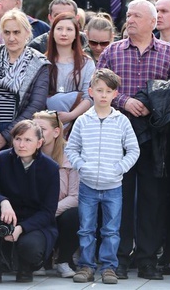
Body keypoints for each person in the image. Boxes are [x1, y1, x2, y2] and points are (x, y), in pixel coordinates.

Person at [95, 0, 170, 280]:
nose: (131, 19)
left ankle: (147, 258)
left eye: (137, 15)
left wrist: (152, 102)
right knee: (119, 199)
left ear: (152, 22)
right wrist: (124, 100)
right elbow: (97, 86)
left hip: (155, 136)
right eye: (129, 15)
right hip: (117, 133)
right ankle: (119, 258)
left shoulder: (169, 53)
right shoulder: (112, 52)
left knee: (153, 198)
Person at [65, 69, 140, 285]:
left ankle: (109, 267)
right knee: (86, 227)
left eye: (108, 91)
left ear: (115, 94)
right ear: (91, 92)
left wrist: (119, 168)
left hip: (113, 186)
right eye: (99, 90)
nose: (104, 95)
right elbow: (72, 148)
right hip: (88, 185)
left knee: (111, 230)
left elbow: (133, 150)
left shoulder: (121, 121)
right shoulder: (82, 121)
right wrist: (82, 167)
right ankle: (86, 266)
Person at [0, 121, 59, 285]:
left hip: (34, 222)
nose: (21, 145)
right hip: (7, 216)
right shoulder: (4, 158)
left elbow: (48, 212)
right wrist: (3, 201)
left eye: (28, 140)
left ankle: (26, 267)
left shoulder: (51, 168)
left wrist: (21, 228)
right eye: (18, 139)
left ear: (39, 143)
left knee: (31, 248)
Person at [0, 10, 50, 156]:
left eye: (16, 32)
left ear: (27, 33)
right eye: (7, 32)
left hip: (22, 133)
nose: (11, 38)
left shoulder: (39, 62)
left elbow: (36, 104)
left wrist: (6, 135)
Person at [32, 111, 78, 279]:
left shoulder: (70, 154)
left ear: (56, 132)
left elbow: (75, 196)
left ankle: (63, 260)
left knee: (75, 215)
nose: (37, 133)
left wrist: (50, 211)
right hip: (35, 212)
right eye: (34, 128)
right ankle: (40, 260)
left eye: (42, 129)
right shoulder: (26, 152)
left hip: (59, 210)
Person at [44, 12, 94, 126]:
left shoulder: (87, 62)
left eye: (69, 29)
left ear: (76, 34)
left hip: (79, 122)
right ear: (52, 33)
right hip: (47, 121)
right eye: (59, 29)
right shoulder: (42, 61)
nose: (64, 33)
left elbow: (89, 96)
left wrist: (71, 115)